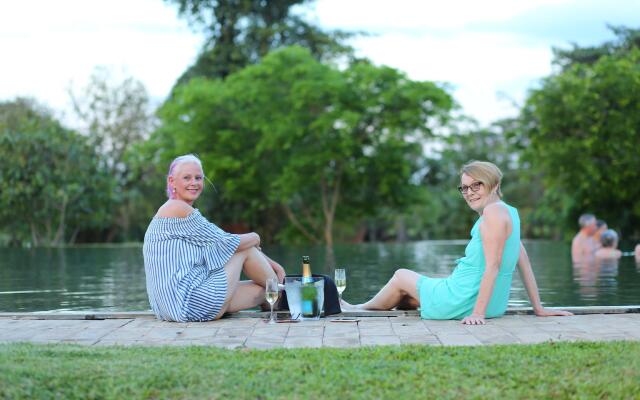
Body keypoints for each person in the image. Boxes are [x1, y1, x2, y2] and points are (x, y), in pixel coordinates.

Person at [342, 161, 572, 324]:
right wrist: (539, 309)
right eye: (464, 187)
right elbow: (524, 263)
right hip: (492, 304)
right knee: (408, 296)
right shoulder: (510, 213)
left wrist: (478, 314)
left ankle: (358, 309)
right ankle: (372, 306)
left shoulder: (492, 214)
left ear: (493, 183)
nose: (469, 193)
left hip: (464, 301)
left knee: (402, 275)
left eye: (476, 185)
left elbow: (493, 267)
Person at [143, 154, 286, 322]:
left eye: (198, 177)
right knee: (244, 248)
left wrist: (275, 266)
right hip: (189, 302)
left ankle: (275, 300)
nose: (194, 183)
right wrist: (256, 236)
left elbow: (227, 244)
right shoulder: (177, 208)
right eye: (187, 178)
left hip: (172, 308)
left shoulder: (176, 212)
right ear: (172, 181)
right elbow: (230, 243)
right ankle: (283, 295)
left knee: (262, 290)